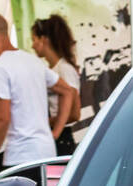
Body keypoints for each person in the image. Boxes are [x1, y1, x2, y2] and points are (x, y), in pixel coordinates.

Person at [0, 11, 77, 175]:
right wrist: (54, 133)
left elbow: (2, 119)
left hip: (20, 158)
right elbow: (67, 91)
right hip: (46, 153)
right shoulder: (33, 61)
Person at [31, 14, 81, 156]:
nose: (32, 45)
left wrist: (45, 122)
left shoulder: (64, 69)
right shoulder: (51, 70)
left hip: (61, 138)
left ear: (44, 39)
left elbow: (74, 113)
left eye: (34, 40)